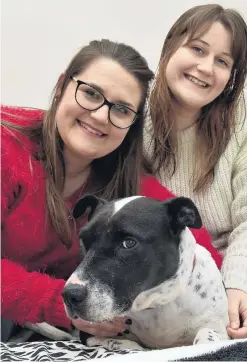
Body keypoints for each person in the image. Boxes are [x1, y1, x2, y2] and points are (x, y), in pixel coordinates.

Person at [143, 4, 247, 337]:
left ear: (232, 75)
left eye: (222, 61)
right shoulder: (135, 112)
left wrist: (237, 284)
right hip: (179, 265)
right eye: (197, 49)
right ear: (171, 45)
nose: (205, 68)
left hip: (243, 253)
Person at [1, 39, 154, 341]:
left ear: (131, 125)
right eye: (90, 93)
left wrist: (226, 292)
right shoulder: (7, 143)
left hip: (42, 325)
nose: (99, 115)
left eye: (121, 109)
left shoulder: (124, 176)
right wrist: (58, 301)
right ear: (61, 87)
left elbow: (184, 233)